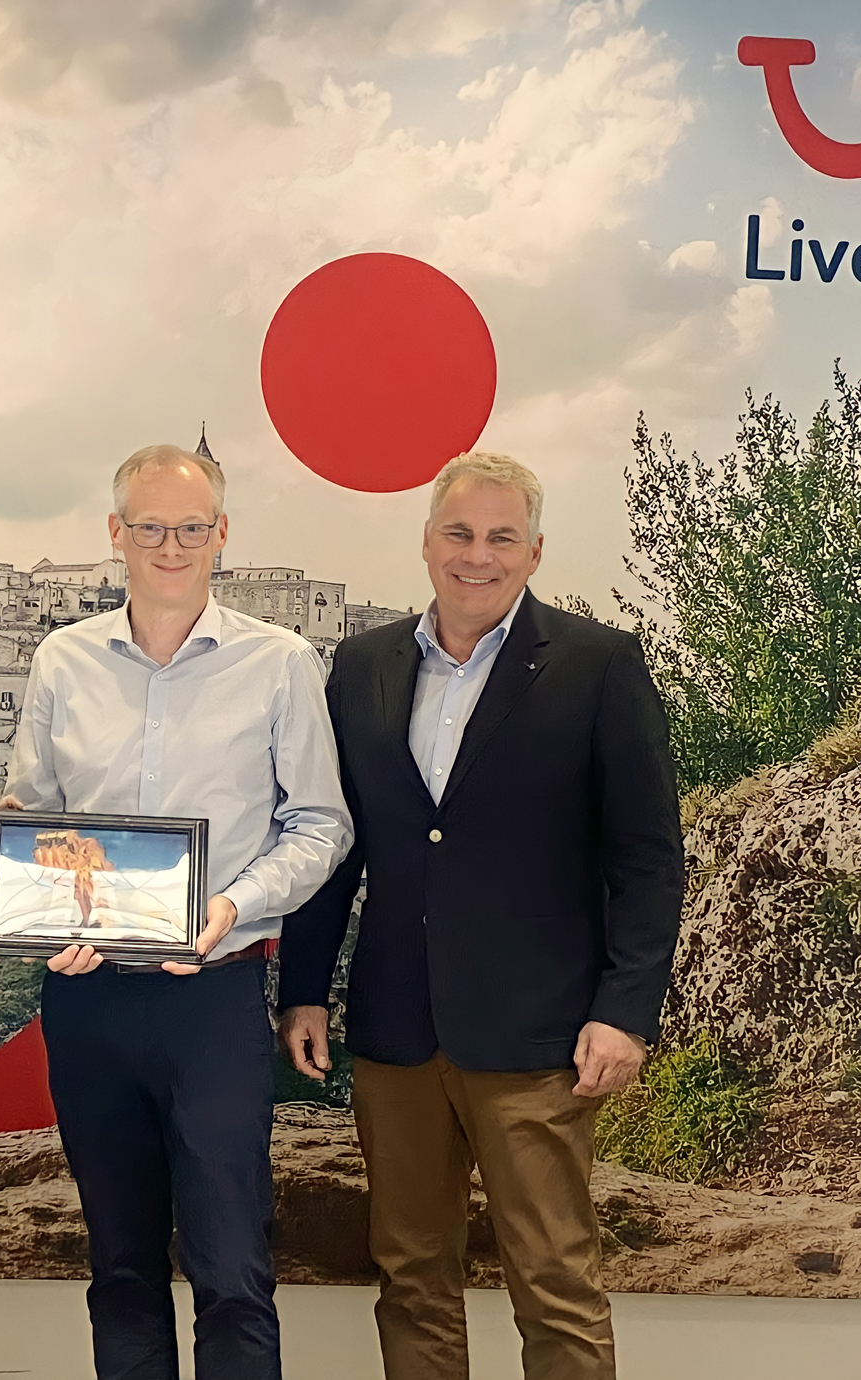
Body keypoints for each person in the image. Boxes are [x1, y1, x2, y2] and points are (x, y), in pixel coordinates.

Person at [277, 453, 684, 1380]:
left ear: (534, 552)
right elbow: (336, 842)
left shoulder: (599, 665)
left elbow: (648, 860)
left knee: (555, 1285)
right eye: (459, 533)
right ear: (427, 541)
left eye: (502, 537)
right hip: (397, 1030)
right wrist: (304, 988)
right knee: (412, 1277)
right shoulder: (362, 663)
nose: (478, 555)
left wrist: (625, 1010)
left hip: (540, 1037)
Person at [0, 444, 350, 1380]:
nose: (171, 545)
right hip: (88, 1002)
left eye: (191, 527)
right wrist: (14, 879)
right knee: (120, 1268)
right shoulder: (63, 659)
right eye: (150, 527)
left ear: (222, 534)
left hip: (213, 999)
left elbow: (320, 825)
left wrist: (232, 903)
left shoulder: (281, 661)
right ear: (115, 534)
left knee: (234, 1271)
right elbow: (34, 816)